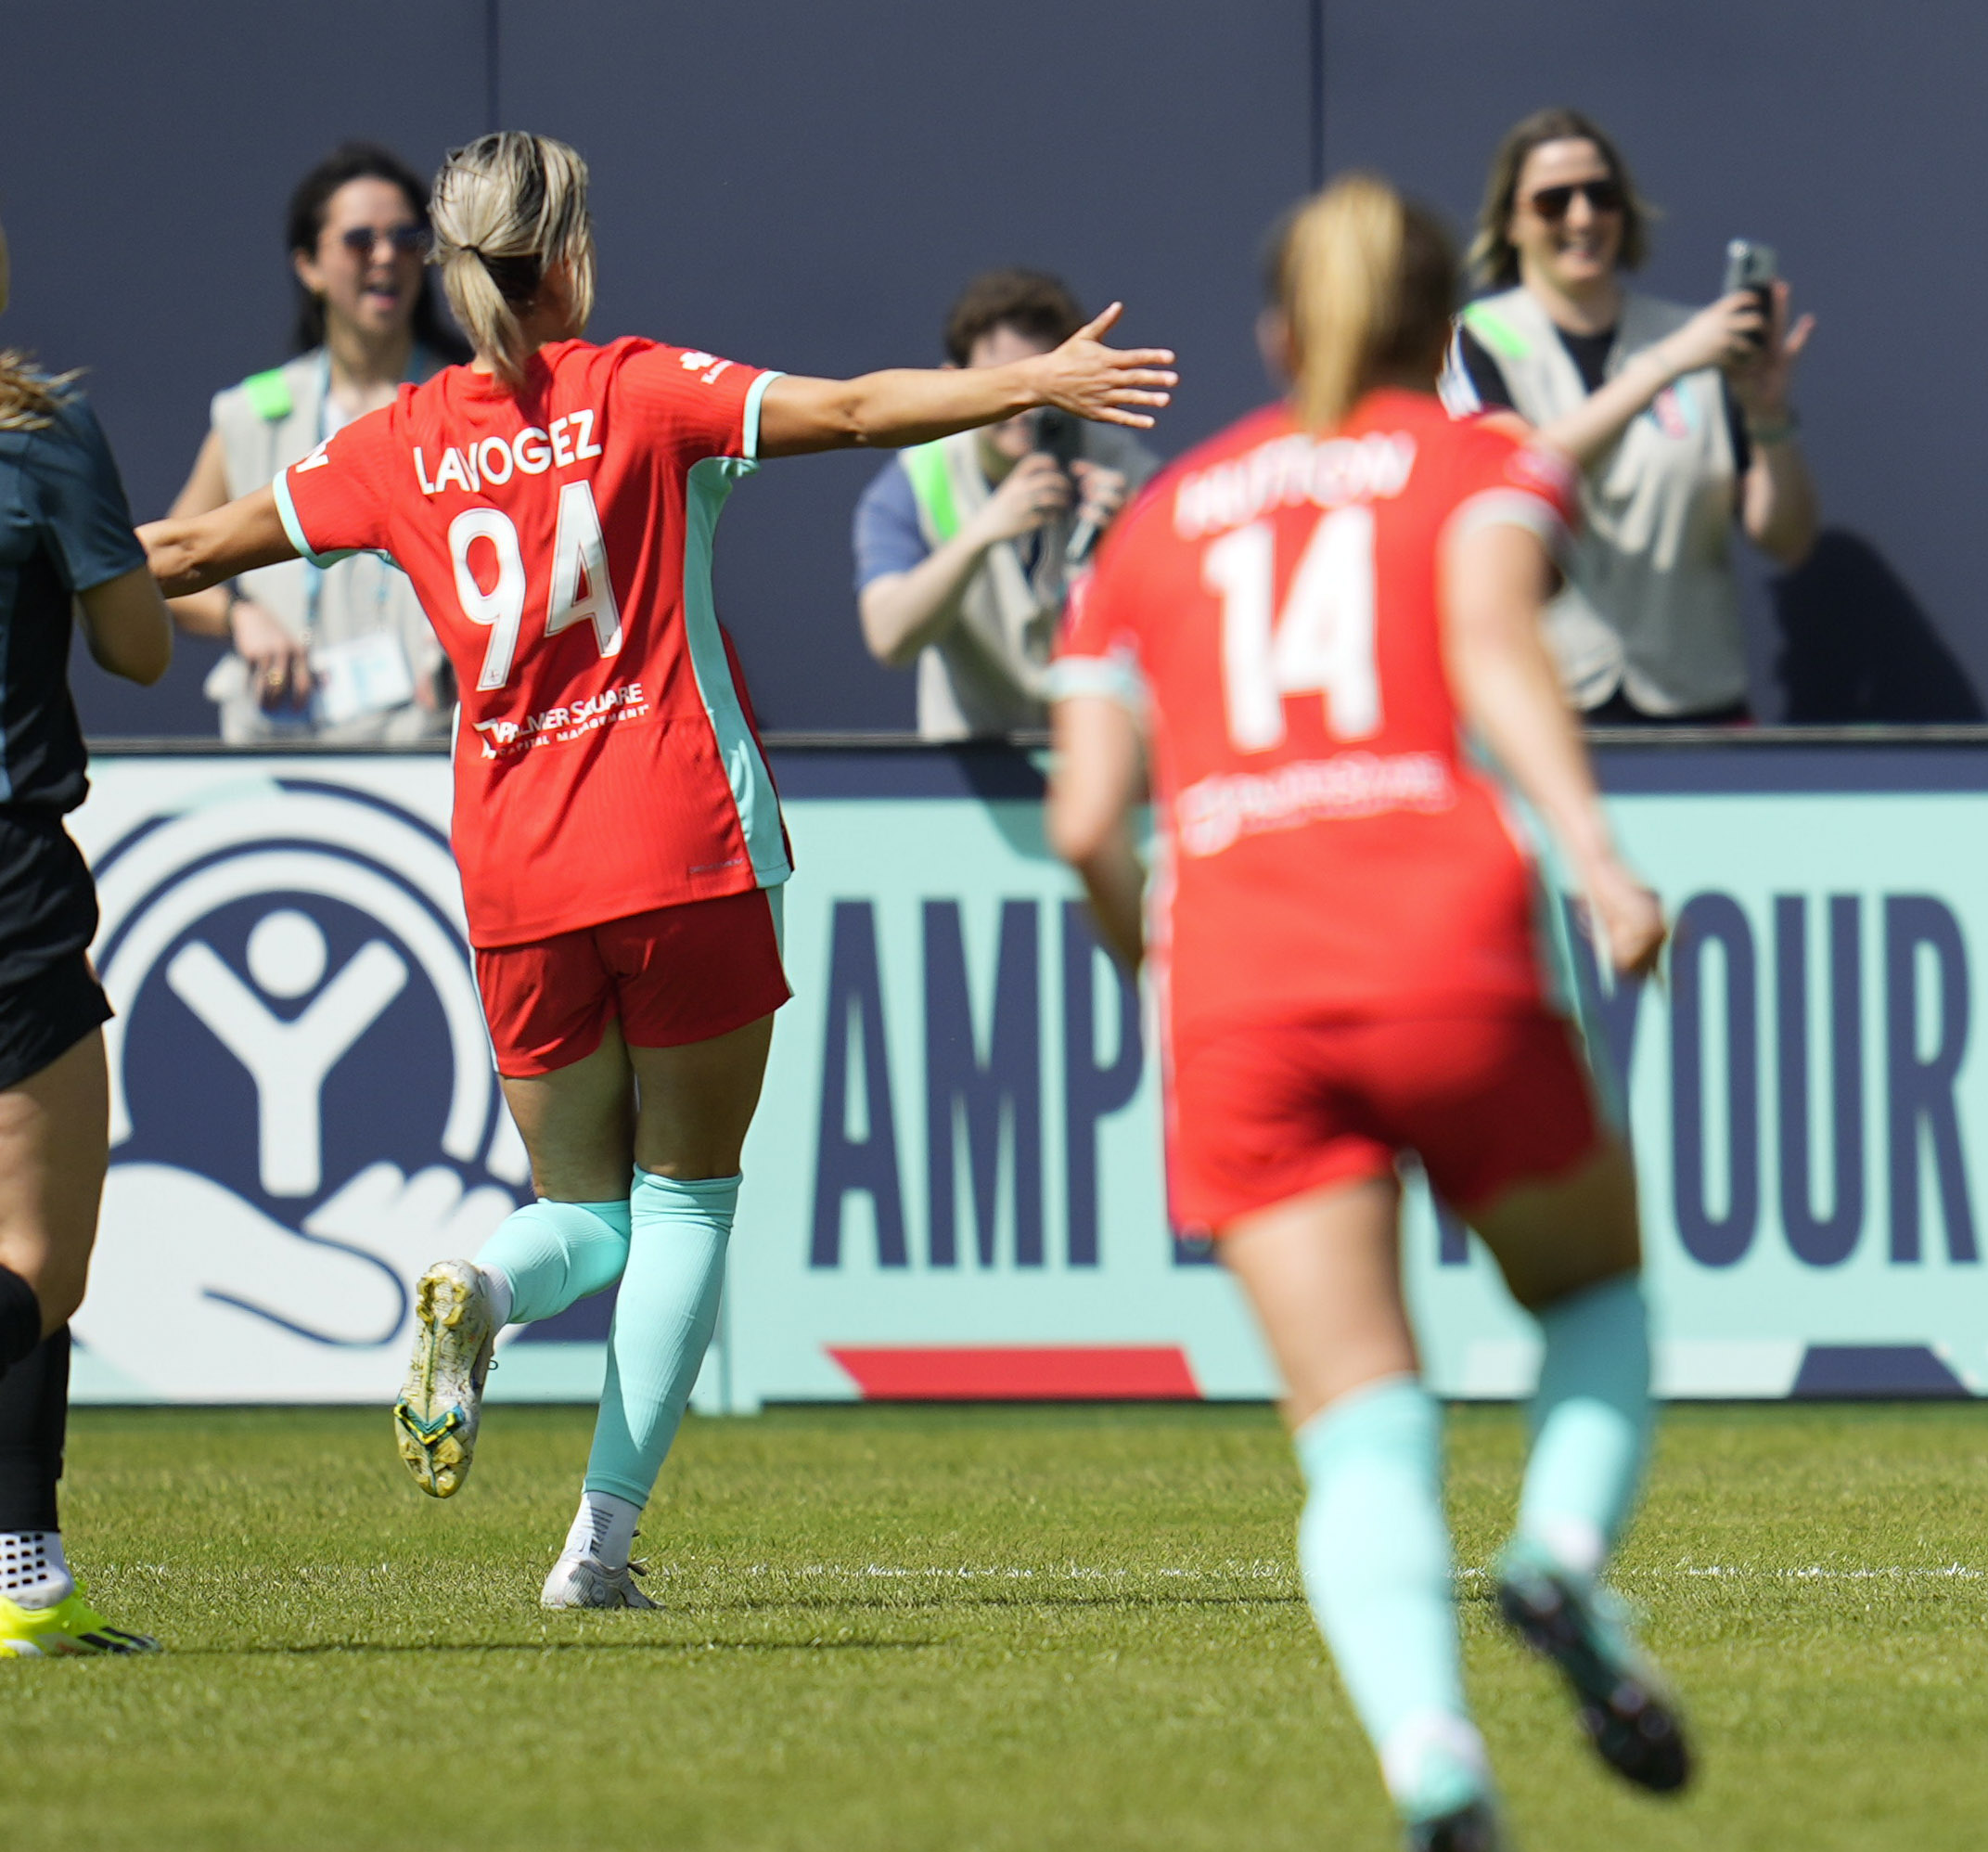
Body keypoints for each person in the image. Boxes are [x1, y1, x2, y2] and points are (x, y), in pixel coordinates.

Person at [140, 132, 1174, 1609]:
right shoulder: (637, 387)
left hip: (516, 867)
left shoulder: (401, 443)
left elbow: (187, 549)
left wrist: (38, 547)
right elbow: (866, 408)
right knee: (685, 1200)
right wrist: (1036, 382)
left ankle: (481, 1288)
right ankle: (594, 1549)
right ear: (567, 255)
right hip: (681, 836)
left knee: (581, 1211)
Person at [1047, 173, 1682, 1852]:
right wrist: (1604, 862)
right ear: (1445, 334)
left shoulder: (1158, 521)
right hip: (1443, 941)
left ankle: (1434, 1762)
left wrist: (1157, 963)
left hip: (1243, 985)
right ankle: (1556, 1560)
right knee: (1601, 1303)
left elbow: (1086, 822)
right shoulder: (1473, 458)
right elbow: (1493, 653)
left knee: (1359, 1427)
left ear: (1273, 334)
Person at [0, 221, 176, 1658]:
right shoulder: (42, 426)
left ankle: (23, 1571)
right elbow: (138, 648)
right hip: (8, 882)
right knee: (38, 1268)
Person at [1440, 106, 1816, 724]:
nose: (1583, 217)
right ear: (1509, 220)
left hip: (1697, 708)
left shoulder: (1698, 337)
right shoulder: (1476, 338)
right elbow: (1512, 476)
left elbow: (1787, 539)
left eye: (1602, 195)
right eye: (1552, 201)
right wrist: (1663, 367)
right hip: (1546, 711)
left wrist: (1768, 420)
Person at [163, 142, 469, 745]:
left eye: (406, 238)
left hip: (430, 745)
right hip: (278, 746)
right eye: (360, 241)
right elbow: (172, 564)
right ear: (307, 265)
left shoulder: (468, 400)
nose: (386, 256)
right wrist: (239, 616)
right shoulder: (252, 413)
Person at [853, 268, 1160, 737]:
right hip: (974, 774)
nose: (1027, 406)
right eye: (1005, 383)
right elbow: (890, 638)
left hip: (1099, 759)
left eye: (1047, 381)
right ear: (952, 384)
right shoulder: (914, 480)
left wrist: (1128, 547)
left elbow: (1197, 633)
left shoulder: (1128, 472)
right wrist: (983, 533)